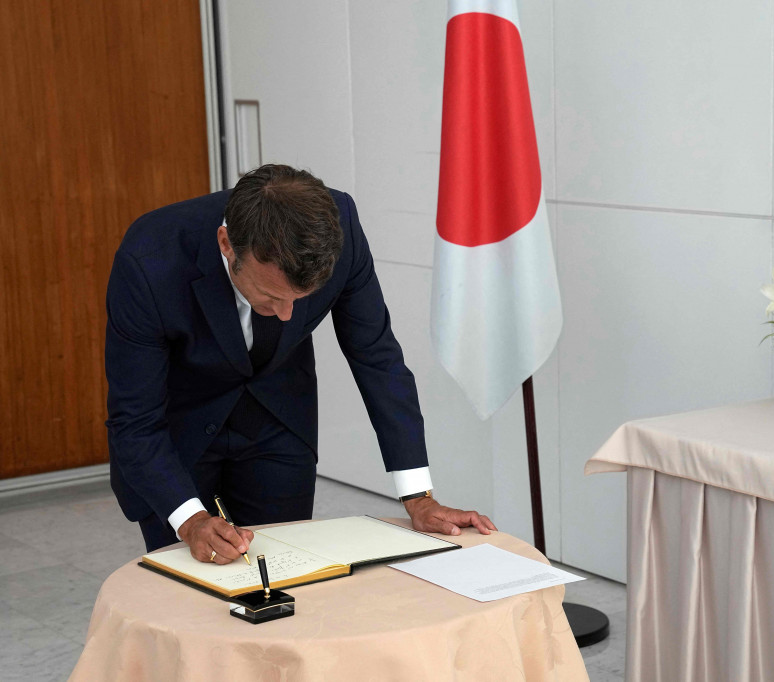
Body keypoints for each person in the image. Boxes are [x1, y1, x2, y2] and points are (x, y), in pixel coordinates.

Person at [106, 164, 495, 564]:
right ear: (227, 244)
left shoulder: (338, 226)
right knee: (189, 591)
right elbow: (133, 418)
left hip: (278, 422)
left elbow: (376, 357)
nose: (289, 316)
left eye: (301, 297)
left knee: (284, 577)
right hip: (176, 435)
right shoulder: (150, 258)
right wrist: (190, 520)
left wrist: (418, 497)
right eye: (270, 296)